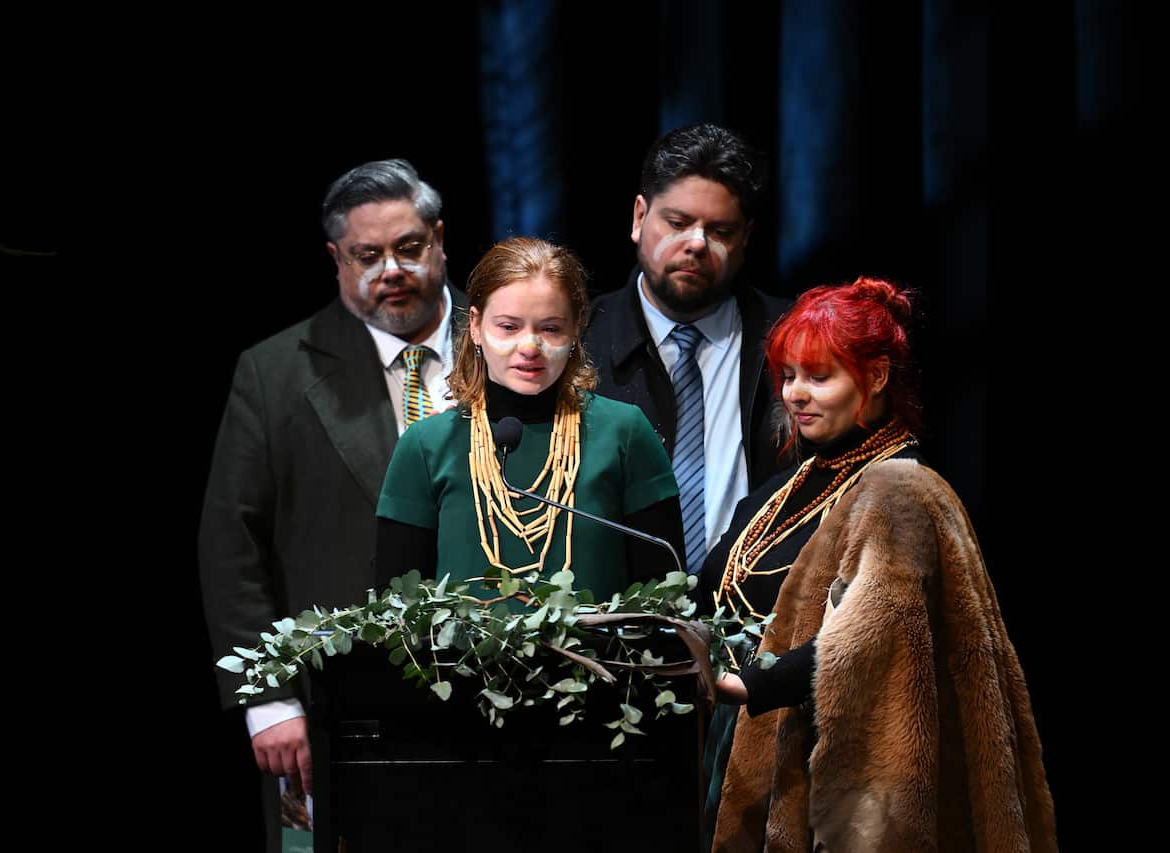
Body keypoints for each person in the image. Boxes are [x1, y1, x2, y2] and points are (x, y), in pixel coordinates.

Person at [700, 277, 1056, 851]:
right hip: (750, 742)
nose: (795, 394)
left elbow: (874, 630)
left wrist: (748, 682)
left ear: (877, 377)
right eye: (788, 376)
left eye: (819, 377)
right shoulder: (789, 483)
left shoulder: (900, 488)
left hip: (841, 761)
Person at [198, 158, 464, 852]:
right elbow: (232, 544)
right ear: (335, 259)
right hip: (330, 705)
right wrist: (268, 697)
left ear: (439, 239)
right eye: (366, 255)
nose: (392, 270)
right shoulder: (276, 370)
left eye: (408, 248)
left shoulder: (512, 343)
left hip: (494, 696)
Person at [375, 235, 682, 590]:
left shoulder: (626, 434)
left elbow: (666, 605)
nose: (529, 347)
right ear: (475, 326)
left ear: (575, 329)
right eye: (508, 326)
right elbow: (395, 615)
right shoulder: (425, 447)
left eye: (550, 328)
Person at [584, 122, 791, 580]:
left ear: (745, 239)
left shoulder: (793, 339)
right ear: (639, 218)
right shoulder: (580, 342)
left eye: (719, 230)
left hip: (760, 621)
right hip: (612, 629)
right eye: (677, 223)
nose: (696, 243)